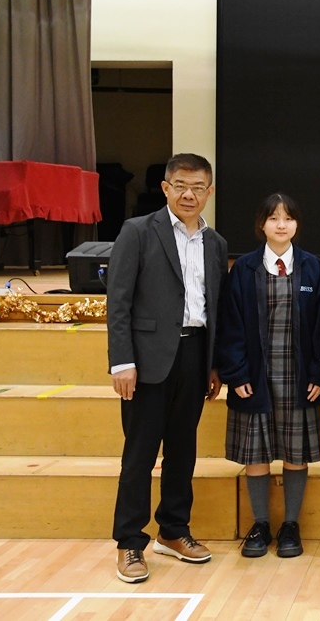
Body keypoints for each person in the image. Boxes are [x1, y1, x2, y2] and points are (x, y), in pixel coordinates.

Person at [108, 153, 228, 584]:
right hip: (146, 361)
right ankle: (129, 542)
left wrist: (213, 364)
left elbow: (214, 308)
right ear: (165, 188)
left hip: (195, 357)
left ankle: (173, 530)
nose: (188, 194)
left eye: (197, 187)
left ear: (209, 192)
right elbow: (118, 301)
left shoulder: (215, 243)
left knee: (183, 450)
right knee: (140, 454)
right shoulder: (138, 231)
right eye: (180, 185)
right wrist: (122, 361)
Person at [217, 193, 320, 559]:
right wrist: (236, 373)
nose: (281, 225)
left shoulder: (312, 268)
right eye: (273, 218)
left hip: (299, 379)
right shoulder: (244, 269)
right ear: (261, 224)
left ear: (297, 224)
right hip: (255, 377)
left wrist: (319, 374)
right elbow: (231, 325)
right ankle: (261, 524)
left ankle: (291, 524)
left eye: (288, 218)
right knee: (256, 454)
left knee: (296, 454)